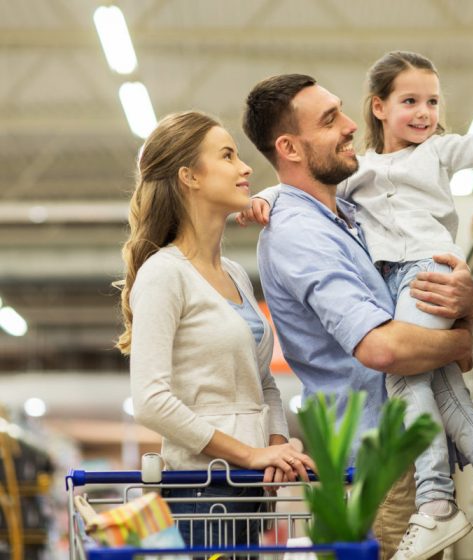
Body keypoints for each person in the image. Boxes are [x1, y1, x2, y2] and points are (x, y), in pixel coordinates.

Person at [243, 52, 473, 560]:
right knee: (441, 398)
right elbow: (385, 350)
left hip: (400, 433)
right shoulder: (304, 224)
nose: (349, 126)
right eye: (330, 119)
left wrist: (469, 303)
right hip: (381, 451)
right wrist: (459, 338)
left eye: (432, 101)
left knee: (454, 405)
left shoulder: (350, 209)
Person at [114, 110, 315, 549]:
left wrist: (276, 449)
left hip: (251, 490)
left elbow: (263, 384)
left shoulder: (235, 273)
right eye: (227, 156)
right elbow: (150, 400)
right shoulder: (164, 274)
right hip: (201, 493)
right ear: (189, 177)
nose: (245, 168)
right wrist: (249, 454)